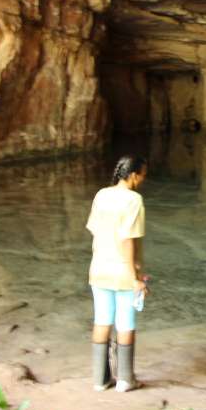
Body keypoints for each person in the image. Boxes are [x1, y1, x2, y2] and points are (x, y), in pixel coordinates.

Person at [86, 154, 149, 392]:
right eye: (143, 175)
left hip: (99, 267)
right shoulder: (134, 200)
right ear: (133, 175)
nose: (143, 180)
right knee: (126, 323)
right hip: (123, 272)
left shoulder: (102, 195)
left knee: (102, 319)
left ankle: (100, 380)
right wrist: (134, 277)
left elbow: (95, 230)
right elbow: (127, 239)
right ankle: (125, 379)